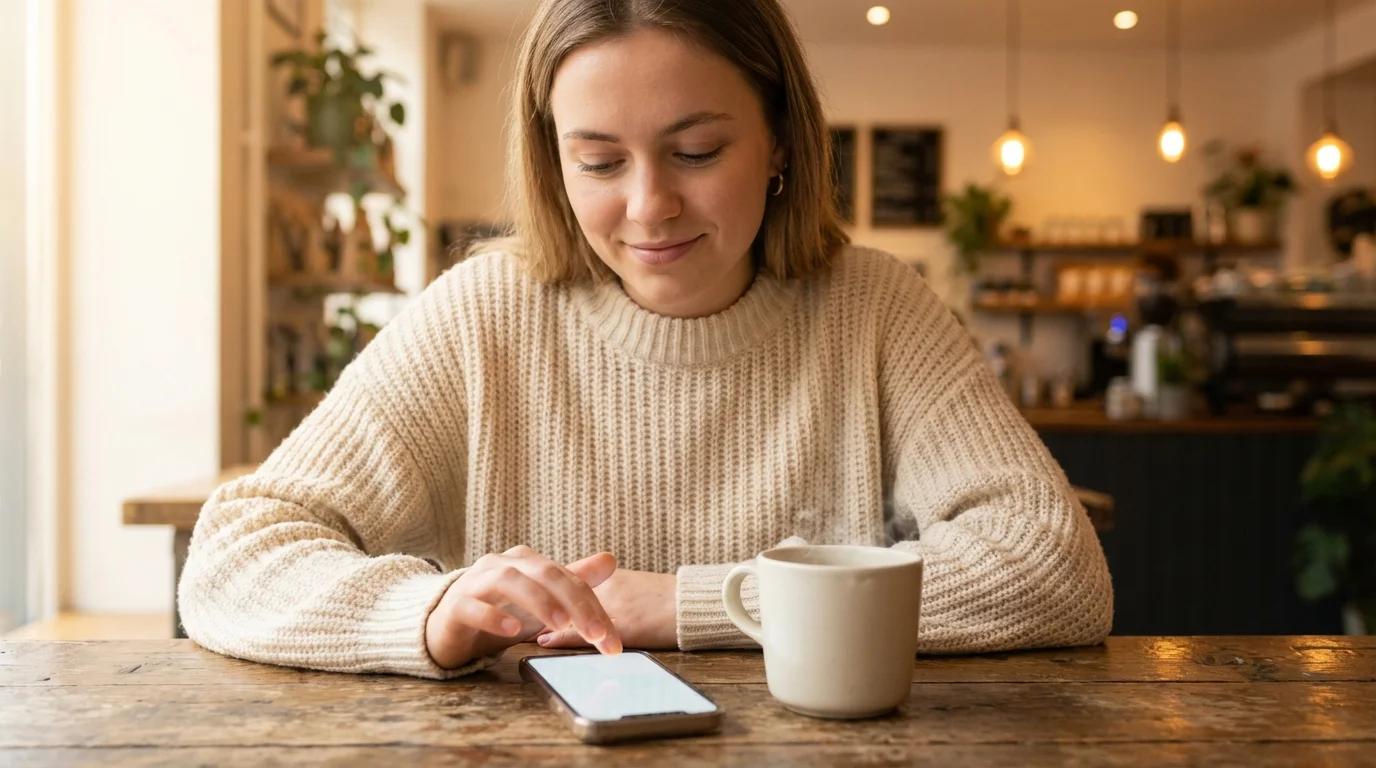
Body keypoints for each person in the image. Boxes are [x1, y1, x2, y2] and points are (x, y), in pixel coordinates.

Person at [179, 0, 1113, 679]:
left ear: (783, 138)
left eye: (698, 151)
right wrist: (425, 611)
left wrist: (690, 604)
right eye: (598, 161)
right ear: (553, 159)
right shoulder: (479, 316)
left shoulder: (875, 309)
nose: (648, 206)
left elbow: (1051, 564)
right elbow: (235, 556)